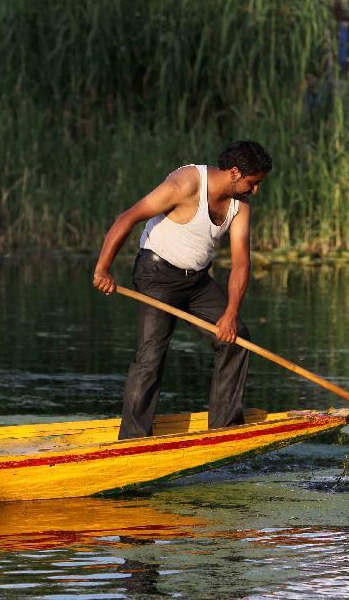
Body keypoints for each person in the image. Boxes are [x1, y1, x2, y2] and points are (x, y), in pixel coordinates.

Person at [93, 140, 272, 439]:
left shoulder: (240, 208)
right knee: (150, 357)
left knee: (236, 337)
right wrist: (103, 268)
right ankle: (134, 440)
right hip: (156, 275)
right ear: (235, 173)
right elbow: (128, 217)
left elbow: (241, 263)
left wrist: (230, 314)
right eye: (252, 183)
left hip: (197, 281)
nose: (255, 191)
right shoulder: (185, 183)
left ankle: (224, 431)